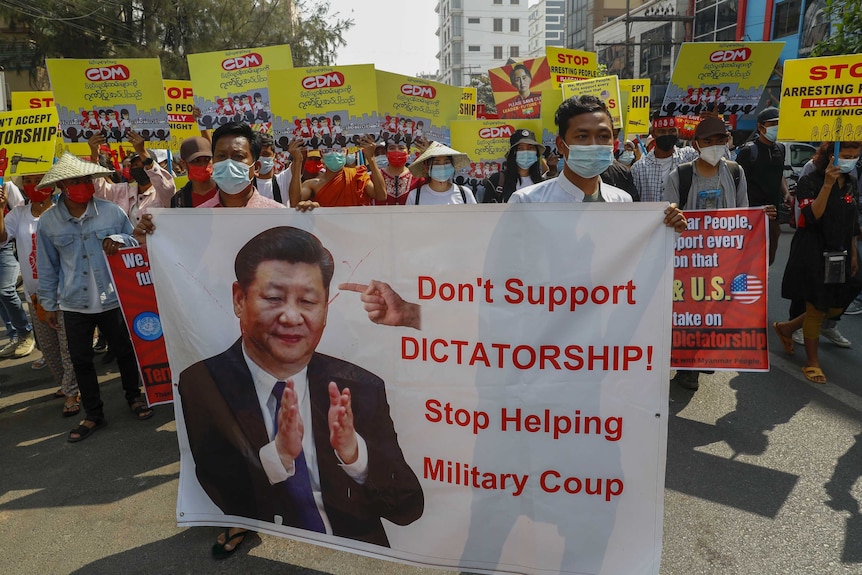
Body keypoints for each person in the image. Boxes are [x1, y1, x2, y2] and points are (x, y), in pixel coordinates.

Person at [177, 226, 424, 548]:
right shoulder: (204, 382)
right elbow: (221, 490)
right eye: (274, 298)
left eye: (308, 301)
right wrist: (277, 457)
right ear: (240, 299)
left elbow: (408, 508)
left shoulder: (360, 387)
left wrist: (354, 455)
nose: (291, 317)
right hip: (268, 553)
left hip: (355, 554)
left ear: (325, 309)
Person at [36, 153, 153, 443]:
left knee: (125, 351)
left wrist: (119, 242)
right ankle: (93, 413)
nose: (84, 185)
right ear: (63, 186)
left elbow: (134, 241)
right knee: (81, 360)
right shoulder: (49, 222)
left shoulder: (111, 212)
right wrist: (48, 305)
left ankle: (133, 397)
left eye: (87, 179)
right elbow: (47, 266)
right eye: (76, 181)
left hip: (112, 297)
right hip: (73, 303)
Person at [664, 117, 774, 391]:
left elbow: (742, 215)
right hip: (687, 259)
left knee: (716, 311)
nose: (715, 146)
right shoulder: (680, 176)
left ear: (727, 142)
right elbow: (667, 217)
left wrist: (758, 218)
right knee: (690, 312)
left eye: (720, 140)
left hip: (723, 258)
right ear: (696, 144)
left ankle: (704, 356)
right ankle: (688, 368)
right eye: (708, 141)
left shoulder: (735, 172)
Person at [773, 141, 862, 384]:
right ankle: (812, 363)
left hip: (840, 251)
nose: (851, 160)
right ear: (830, 155)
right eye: (846, 155)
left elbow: (852, 219)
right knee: (816, 306)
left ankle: (787, 328)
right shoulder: (809, 181)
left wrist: (853, 251)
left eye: (855, 156)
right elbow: (812, 215)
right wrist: (828, 184)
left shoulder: (851, 182)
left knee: (835, 303)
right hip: (812, 251)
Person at [0, 174, 80, 415]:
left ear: (52, 184)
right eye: (28, 181)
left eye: (39, 179)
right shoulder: (18, 214)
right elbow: (2, 238)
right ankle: (66, 383)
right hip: (36, 296)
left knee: (68, 347)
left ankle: (72, 392)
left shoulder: (62, 212)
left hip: (64, 292)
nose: (33, 185)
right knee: (49, 347)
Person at [735, 107, 791, 265]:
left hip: (773, 216)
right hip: (752, 217)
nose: (777, 127)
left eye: (779, 123)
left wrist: (786, 193)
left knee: (768, 260)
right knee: (750, 261)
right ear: (760, 127)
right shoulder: (748, 152)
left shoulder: (780, 149)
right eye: (773, 124)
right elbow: (738, 184)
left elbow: (779, 174)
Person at [88, 131, 176, 224]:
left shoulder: (162, 193)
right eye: (134, 165)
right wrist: (94, 157)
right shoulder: (122, 191)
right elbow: (99, 190)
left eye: (142, 163)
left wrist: (142, 152)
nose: (136, 167)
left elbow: (168, 188)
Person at [288, 136, 386, 207]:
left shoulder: (357, 176)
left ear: (346, 153)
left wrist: (371, 158)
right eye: (328, 150)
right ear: (321, 154)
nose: (334, 154)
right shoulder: (312, 184)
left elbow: (381, 195)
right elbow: (294, 202)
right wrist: (297, 161)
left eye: (339, 150)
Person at [0, 178, 36, 359]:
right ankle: (15, 335)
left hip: (3, 245)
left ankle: (24, 332)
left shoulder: (5, 184)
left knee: (5, 290)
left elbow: (20, 210)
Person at [631, 115, 699, 202]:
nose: (667, 135)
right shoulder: (639, 169)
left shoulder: (689, 156)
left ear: (678, 131)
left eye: (672, 131)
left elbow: (713, 159)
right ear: (653, 133)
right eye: (662, 131)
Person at [481, 129, 545, 203]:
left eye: (530, 148)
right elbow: (486, 212)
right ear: (513, 153)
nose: (526, 152)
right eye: (520, 148)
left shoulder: (542, 183)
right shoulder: (497, 181)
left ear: (536, 153)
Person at [406, 142, 477, 205]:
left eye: (446, 163)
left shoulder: (465, 193)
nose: (442, 167)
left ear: (452, 166)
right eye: (436, 163)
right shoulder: (415, 196)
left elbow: (475, 218)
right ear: (427, 168)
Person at [170, 136, 218, 207]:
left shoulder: (228, 192)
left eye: (207, 159)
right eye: (196, 161)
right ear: (184, 164)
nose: (203, 164)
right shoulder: (179, 200)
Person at [371, 141, 422, 205]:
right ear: (386, 153)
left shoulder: (418, 178)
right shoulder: (372, 177)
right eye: (392, 148)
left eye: (401, 148)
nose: (396, 151)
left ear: (408, 153)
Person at [254, 133, 292, 205]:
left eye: (265, 154)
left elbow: (299, 159)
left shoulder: (284, 179)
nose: (260, 158)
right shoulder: (245, 185)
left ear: (274, 155)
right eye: (257, 155)